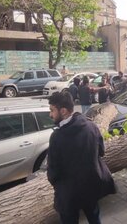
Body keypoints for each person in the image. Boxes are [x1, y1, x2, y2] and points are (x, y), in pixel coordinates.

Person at [47, 92, 116, 224]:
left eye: (52, 110)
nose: (50, 114)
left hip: (68, 194)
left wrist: (57, 184)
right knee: (94, 218)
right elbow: (101, 151)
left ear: (63, 111)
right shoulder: (91, 126)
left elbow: (53, 171)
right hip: (90, 186)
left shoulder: (57, 137)